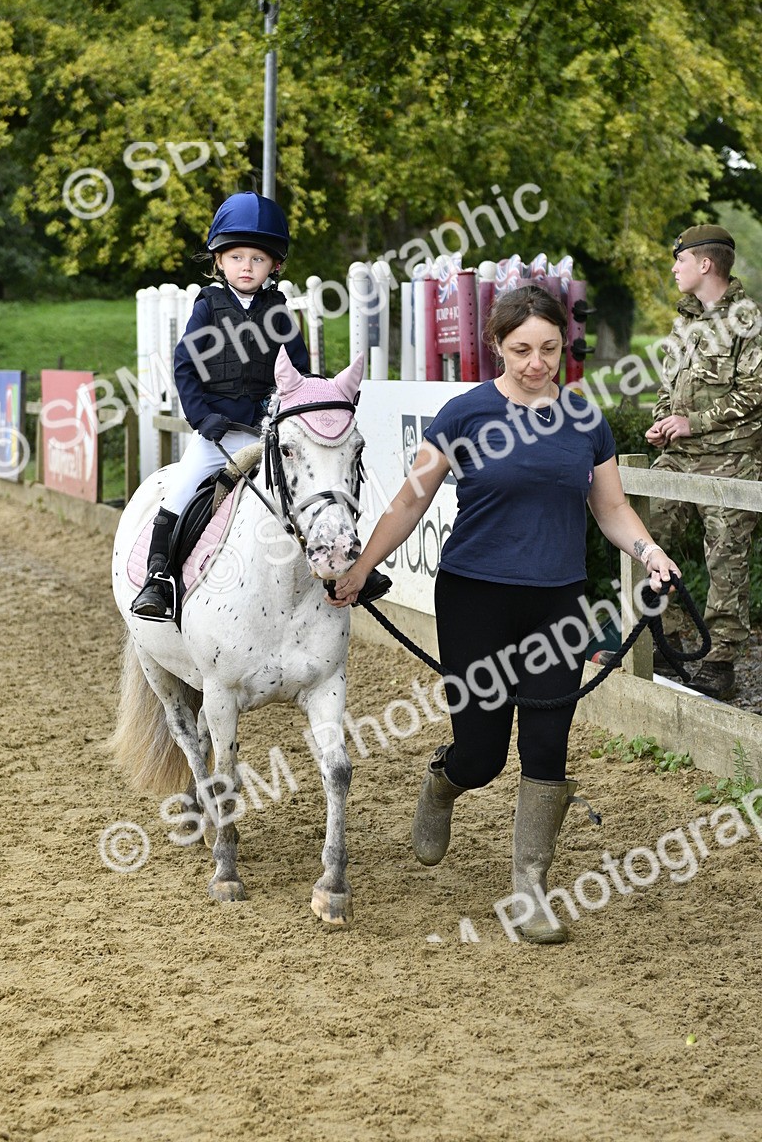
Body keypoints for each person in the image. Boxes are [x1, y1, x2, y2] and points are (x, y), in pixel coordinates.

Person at [328, 284, 679, 944]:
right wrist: (358, 569)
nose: (536, 362)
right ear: (496, 346)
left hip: (558, 601)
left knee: (547, 746)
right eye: (521, 349)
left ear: (563, 348)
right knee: (484, 754)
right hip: (474, 596)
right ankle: (444, 781)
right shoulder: (464, 415)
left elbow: (611, 509)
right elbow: (408, 503)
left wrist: (650, 551)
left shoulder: (584, 420)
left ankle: (530, 893)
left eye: (548, 349)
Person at [131, 191, 311, 618]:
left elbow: (298, 371)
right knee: (180, 491)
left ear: (274, 265)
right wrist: (201, 416)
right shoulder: (207, 308)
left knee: (318, 484)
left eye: (257, 259)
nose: (246, 267)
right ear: (219, 261)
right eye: (236, 257)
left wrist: (289, 408)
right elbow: (184, 368)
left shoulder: (280, 312)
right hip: (219, 430)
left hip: (270, 428)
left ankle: (342, 568)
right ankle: (158, 580)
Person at [645, 225, 762, 700]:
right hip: (677, 460)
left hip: (730, 462)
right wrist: (661, 421)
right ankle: (665, 640)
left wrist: (694, 421)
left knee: (726, 561)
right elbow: (665, 388)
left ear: (705, 264)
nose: (674, 268)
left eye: (680, 261)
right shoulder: (685, 321)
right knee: (642, 537)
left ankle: (720, 661)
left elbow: (755, 392)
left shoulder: (747, 320)